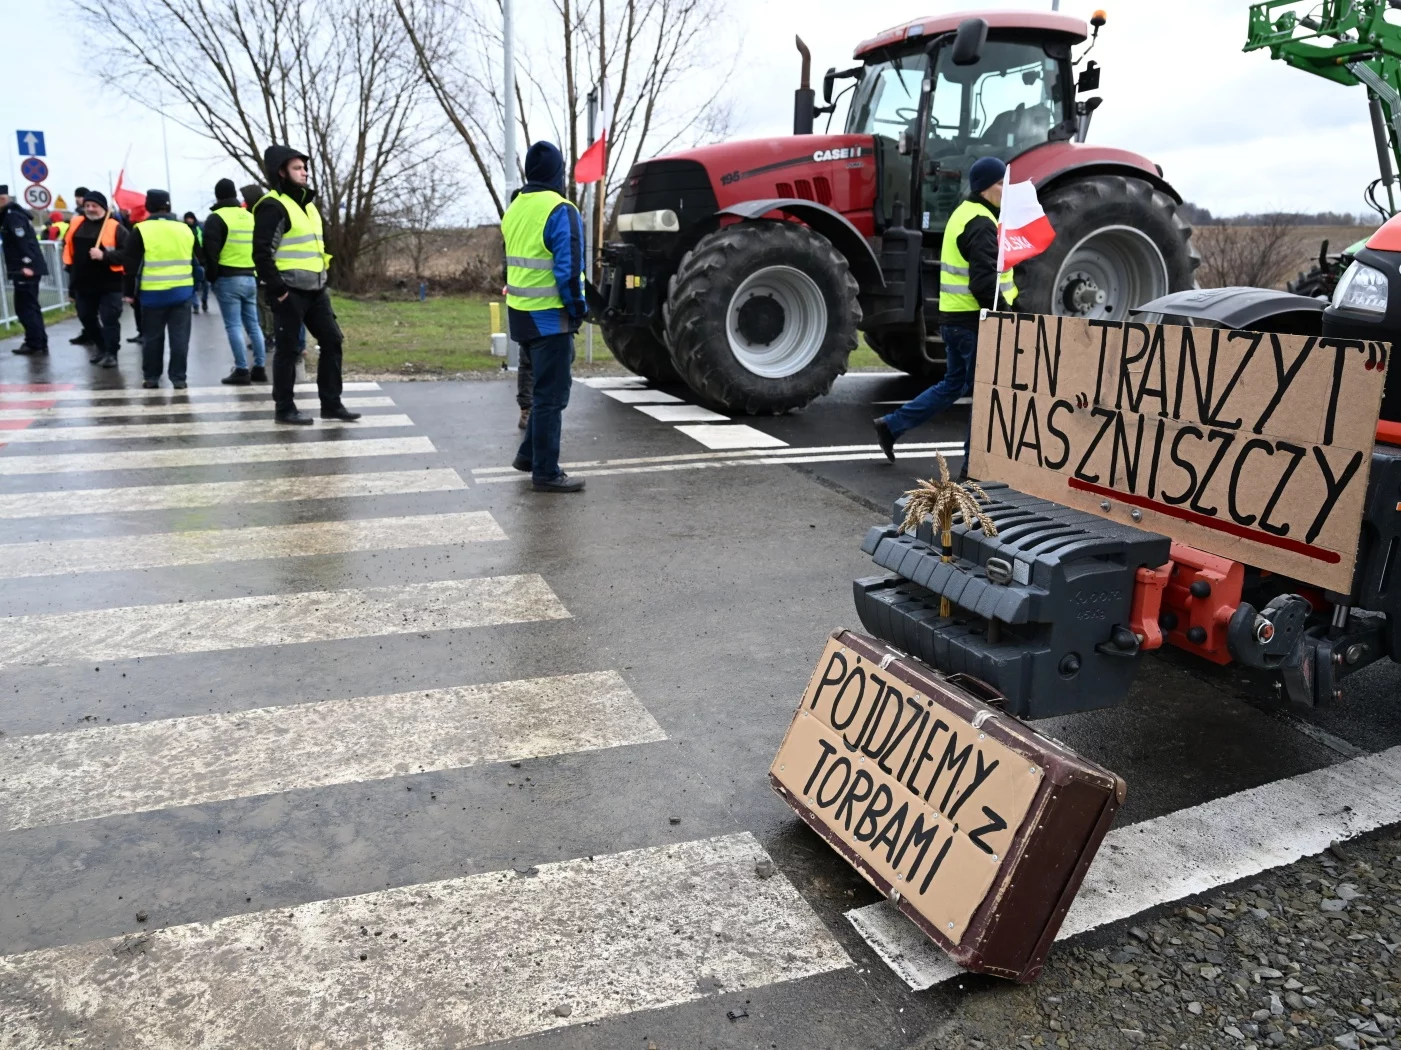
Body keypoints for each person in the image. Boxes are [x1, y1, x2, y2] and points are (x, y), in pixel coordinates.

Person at [873, 156, 1016, 476]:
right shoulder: (980, 222)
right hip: (971, 323)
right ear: (984, 188)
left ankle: (891, 426)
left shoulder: (965, 214)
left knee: (953, 384)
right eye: (1000, 184)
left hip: (953, 320)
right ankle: (972, 470)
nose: (1005, 190)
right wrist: (1006, 315)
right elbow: (983, 283)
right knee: (984, 394)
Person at [251, 144, 359, 425]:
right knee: (288, 350)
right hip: (289, 291)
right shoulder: (273, 206)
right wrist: (280, 290)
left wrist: (324, 279)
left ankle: (331, 404)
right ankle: (284, 409)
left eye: (305, 167)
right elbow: (262, 253)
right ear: (282, 173)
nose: (305, 173)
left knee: (333, 341)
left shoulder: (308, 206)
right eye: (297, 168)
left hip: (316, 290)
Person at [505, 141, 587, 493]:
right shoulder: (560, 209)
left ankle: (529, 456)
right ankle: (546, 473)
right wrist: (578, 309)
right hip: (550, 318)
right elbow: (568, 270)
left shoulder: (515, 207)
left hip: (521, 316)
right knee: (552, 397)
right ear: (558, 172)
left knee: (543, 392)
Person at [122, 189, 198, 389]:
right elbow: (198, 260)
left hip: (152, 294)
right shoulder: (185, 229)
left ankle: (152, 377)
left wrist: (129, 292)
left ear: (148, 206)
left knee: (152, 339)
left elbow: (130, 265)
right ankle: (179, 378)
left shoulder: (141, 230)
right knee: (180, 339)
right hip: (182, 291)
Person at [204, 178, 266, 384]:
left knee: (233, 326)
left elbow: (210, 254)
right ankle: (259, 367)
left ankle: (241, 370)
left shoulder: (216, 218)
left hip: (228, 278)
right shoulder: (250, 217)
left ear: (218, 196)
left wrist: (211, 278)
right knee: (254, 325)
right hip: (250, 277)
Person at [63, 190, 128, 369]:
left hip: (109, 283)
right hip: (83, 283)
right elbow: (68, 252)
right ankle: (101, 347)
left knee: (110, 319)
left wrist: (105, 256)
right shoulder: (76, 224)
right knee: (86, 317)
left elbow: (128, 254)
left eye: (94, 206)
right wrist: (71, 286)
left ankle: (111, 353)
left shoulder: (115, 227)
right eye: (87, 206)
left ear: (103, 208)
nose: (90, 209)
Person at [0, 185, 50, 356]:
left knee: (25, 308)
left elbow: (22, 242)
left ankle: (35, 343)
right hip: (24, 268)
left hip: (25, 269)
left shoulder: (12, 217)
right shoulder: (11, 215)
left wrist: (26, 265)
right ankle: (38, 341)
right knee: (30, 306)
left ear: (2, 199)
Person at [183, 211, 209, 313]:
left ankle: (204, 300)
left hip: (202, 259)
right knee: (193, 284)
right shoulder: (184, 230)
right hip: (191, 260)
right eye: (187, 218)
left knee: (205, 284)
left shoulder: (200, 228)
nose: (189, 220)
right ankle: (195, 305)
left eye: (190, 218)